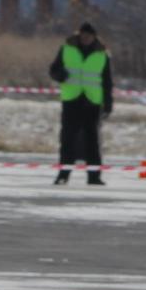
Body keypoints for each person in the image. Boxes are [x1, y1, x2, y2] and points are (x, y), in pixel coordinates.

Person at [48, 22, 115, 185]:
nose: (86, 39)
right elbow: (53, 70)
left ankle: (94, 176)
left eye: (89, 36)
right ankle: (63, 174)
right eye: (83, 35)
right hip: (72, 100)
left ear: (94, 37)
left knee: (92, 140)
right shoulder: (66, 49)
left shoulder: (102, 54)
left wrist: (108, 103)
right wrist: (60, 75)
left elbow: (107, 81)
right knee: (68, 138)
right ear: (79, 36)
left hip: (92, 102)